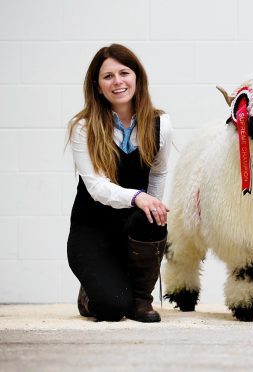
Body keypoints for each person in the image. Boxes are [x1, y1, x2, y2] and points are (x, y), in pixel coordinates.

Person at [66, 44, 173, 322]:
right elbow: (97, 187)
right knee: (112, 308)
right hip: (92, 230)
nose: (118, 82)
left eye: (124, 72)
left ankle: (141, 300)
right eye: (108, 76)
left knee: (153, 215)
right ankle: (89, 294)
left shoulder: (161, 122)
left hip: (130, 230)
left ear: (137, 78)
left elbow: (158, 174)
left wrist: (151, 209)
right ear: (97, 85)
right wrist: (139, 198)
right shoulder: (83, 127)